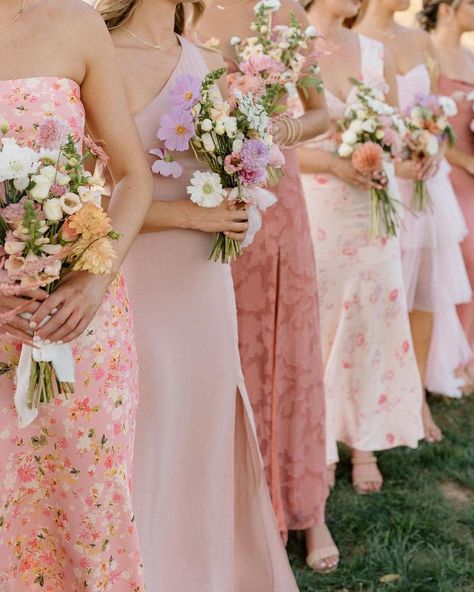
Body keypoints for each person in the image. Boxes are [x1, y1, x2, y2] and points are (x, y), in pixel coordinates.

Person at [96, 0, 301, 589]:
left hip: (202, 288)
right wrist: (189, 214)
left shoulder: (209, 62)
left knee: (203, 422)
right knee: (144, 426)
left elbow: (234, 171)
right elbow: (88, 198)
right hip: (127, 280)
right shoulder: (96, 54)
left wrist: (242, 207)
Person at [0, 0, 154, 589]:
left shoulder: (77, 22)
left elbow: (132, 177)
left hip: (80, 324)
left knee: (87, 511)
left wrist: (95, 281)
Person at [198, 0, 339, 573]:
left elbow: (321, 114)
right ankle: (229, 512)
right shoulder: (184, 14)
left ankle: (307, 510)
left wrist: (279, 128)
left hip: (280, 209)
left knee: (292, 352)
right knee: (220, 357)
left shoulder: (288, 20)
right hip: (211, 204)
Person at [299, 0, 424, 495]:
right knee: (321, 321)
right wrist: (333, 163)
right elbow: (273, 141)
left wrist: (401, 151)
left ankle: (366, 441)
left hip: (373, 207)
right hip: (319, 208)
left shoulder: (376, 52)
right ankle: (320, 442)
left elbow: (395, 134)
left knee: (372, 318)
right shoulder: (286, 47)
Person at [356, 0, 472, 425]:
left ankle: (416, 394)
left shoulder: (420, 40)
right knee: (382, 294)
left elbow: (437, 111)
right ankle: (371, 395)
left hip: (426, 179)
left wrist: (433, 145)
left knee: (424, 293)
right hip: (382, 178)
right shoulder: (354, 37)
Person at [429, 0, 474, 394]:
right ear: (447, 8)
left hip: (472, 167)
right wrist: (463, 161)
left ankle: (467, 355)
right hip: (446, 168)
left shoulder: (471, 56)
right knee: (459, 255)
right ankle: (445, 357)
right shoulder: (428, 50)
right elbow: (425, 118)